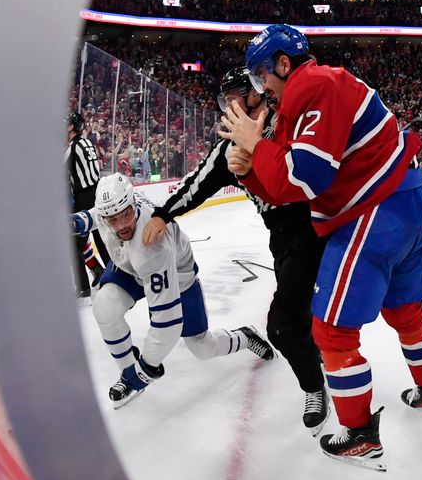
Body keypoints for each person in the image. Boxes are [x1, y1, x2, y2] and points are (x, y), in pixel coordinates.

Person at [219, 24, 422, 471]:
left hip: (373, 214)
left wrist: (254, 147)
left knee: (331, 332)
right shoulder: (307, 95)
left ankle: (360, 435)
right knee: (405, 312)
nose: (260, 87)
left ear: (284, 63)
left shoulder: (315, 86)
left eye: (260, 76)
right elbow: (285, 187)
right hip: (406, 203)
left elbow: (307, 179)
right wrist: (249, 167)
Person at [141, 66, 330, 436]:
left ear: (256, 93)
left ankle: (314, 384)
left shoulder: (288, 118)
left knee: (285, 324)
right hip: (286, 239)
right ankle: (314, 364)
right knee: (296, 315)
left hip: (319, 225)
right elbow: (197, 184)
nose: (228, 108)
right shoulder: (230, 144)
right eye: (223, 102)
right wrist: (163, 213)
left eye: (233, 99)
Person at [71, 173, 276, 409]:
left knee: (202, 347)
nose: (121, 225)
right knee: (104, 304)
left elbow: (167, 323)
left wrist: (146, 370)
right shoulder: (117, 207)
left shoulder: (152, 247)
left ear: (133, 205)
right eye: (112, 219)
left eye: (125, 216)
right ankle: (127, 372)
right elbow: (94, 216)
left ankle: (245, 337)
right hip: (131, 267)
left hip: (178, 277)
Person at [66, 111, 111, 297]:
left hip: (83, 197)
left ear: (71, 127)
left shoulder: (72, 147)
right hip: (96, 192)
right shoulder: (89, 143)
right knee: (100, 237)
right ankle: (111, 273)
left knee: (74, 242)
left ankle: (83, 286)